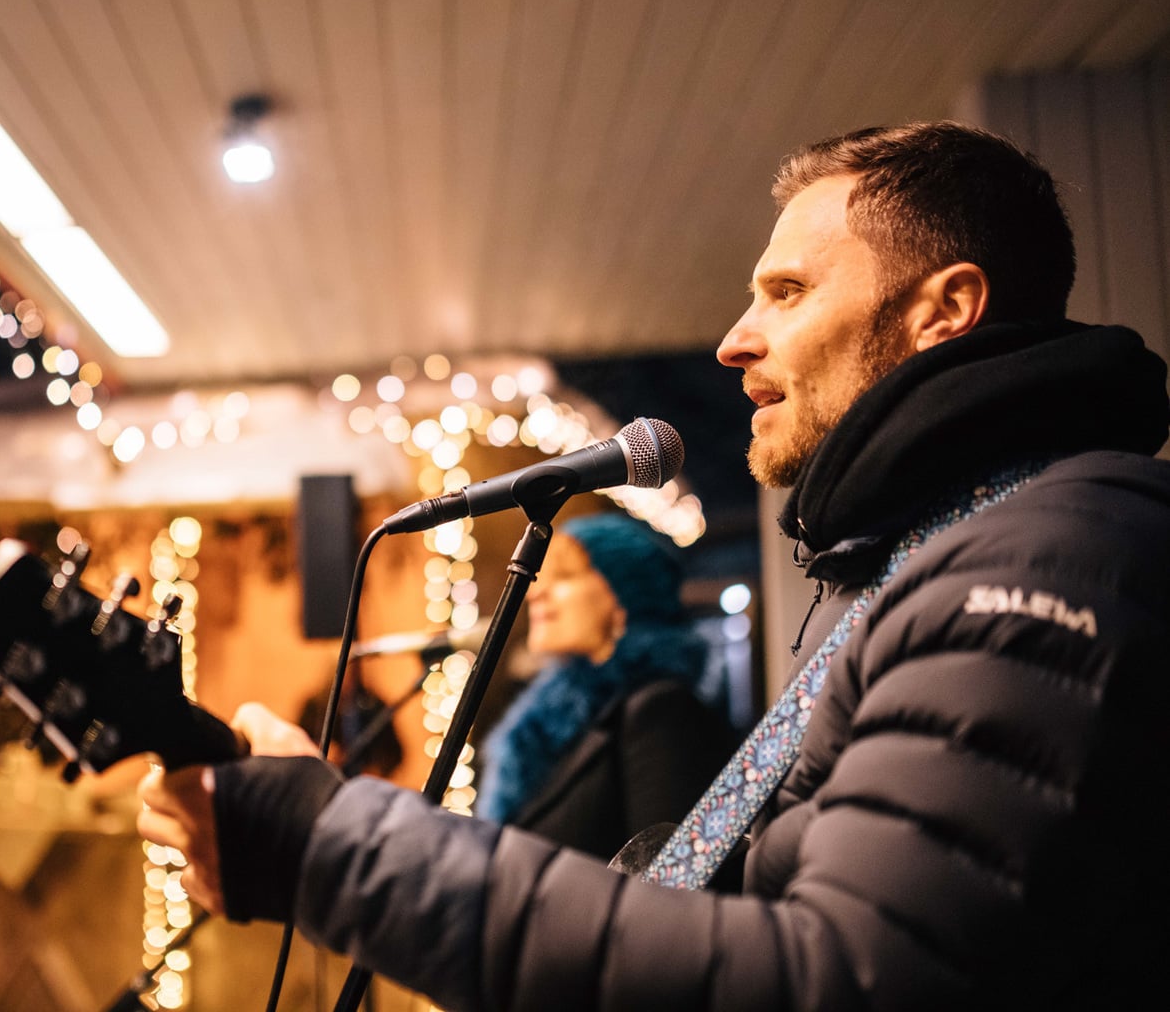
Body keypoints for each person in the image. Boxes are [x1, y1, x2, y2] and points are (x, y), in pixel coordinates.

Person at [136, 121, 1170, 1009]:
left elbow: (837, 978)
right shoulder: (917, 560)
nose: (733, 339)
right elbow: (743, 901)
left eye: (786, 291)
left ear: (942, 311)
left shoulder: (1048, 561)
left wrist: (331, 851)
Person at [473, 511, 735, 862]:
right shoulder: (557, 724)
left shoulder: (660, 712)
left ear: (623, 598)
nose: (537, 593)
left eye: (563, 576)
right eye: (541, 578)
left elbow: (669, 886)